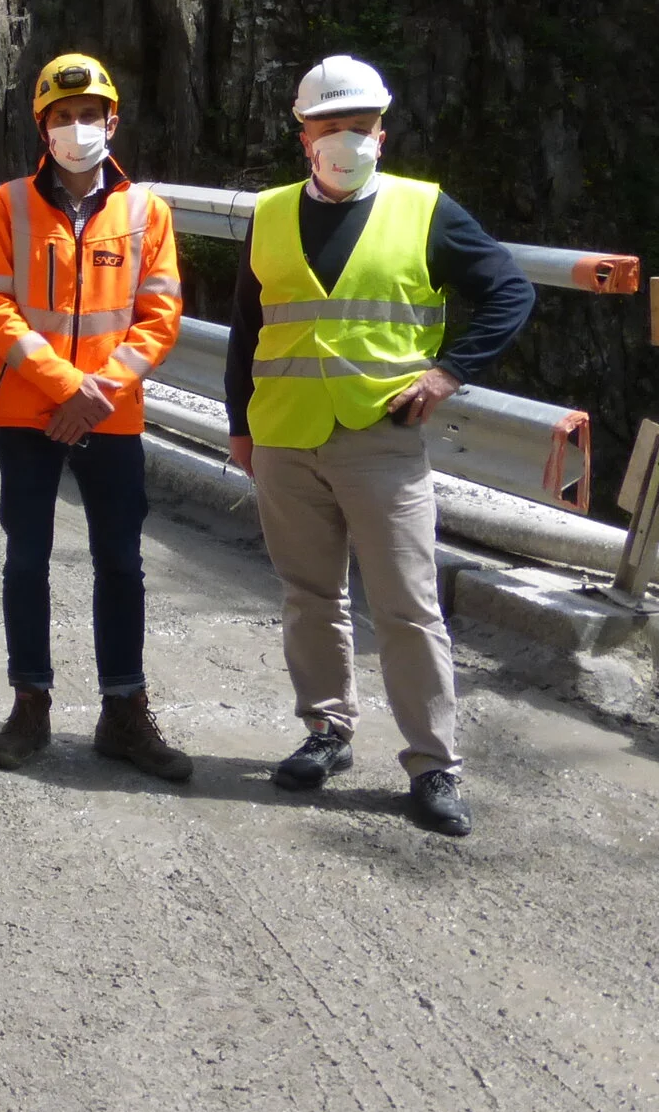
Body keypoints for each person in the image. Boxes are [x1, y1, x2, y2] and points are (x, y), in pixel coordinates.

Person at [227, 55, 535, 838]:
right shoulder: (268, 213)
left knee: (406, 606)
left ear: (381, 134)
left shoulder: (424, 209)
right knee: (309, 596)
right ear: (304, 136)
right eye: (329, 126)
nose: (344, 140)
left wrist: (448, 373)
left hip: (380, 439)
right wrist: (240, 425)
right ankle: (327, 730)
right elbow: (247, 330)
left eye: (358, 127)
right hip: (286, 435)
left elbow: (509, 288)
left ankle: (433, 763)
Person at [0, 54, 190, 781]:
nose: (76, 127)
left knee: (120, 563)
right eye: (62, 117)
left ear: (112, 121)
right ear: (43, 127)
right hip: (32, 410)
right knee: (26, 560)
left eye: (88, 114)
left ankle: (123, 709)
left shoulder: (145, 211)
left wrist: (100, 391)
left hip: (112, 414)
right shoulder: (7, 205)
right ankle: (30, 703)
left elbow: (159, 315)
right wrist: (67, 386)